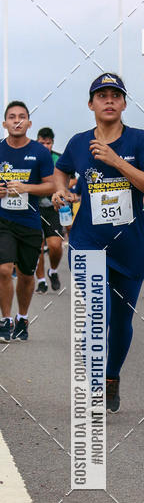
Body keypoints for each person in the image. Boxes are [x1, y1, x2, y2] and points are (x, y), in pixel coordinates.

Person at [53, 73, 144, 411]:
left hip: (128, 246)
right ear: (91, 104)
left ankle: (111, 376)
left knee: (122, 321)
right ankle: (93, 384)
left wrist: (116, 161)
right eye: (102, 95)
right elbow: (62, 169)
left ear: (125, 103)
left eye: (116, 95)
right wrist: (60, 189)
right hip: (88, 241)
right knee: (97, 314)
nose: (110, 100)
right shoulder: (78, 142)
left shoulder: (140, 141)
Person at [0, 102, 55, 340]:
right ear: (5, 123)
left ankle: (22, 317)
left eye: (22, 117)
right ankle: (5, 320)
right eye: (12, 117)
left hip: (30, 222)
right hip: (3, 220)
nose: (17, 121)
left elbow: (51, 185)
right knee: (3, 270)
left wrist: (26, 187)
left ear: (29, 123)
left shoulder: (40, 152)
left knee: (25, 275)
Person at [34, 127, 64, 293]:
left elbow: (72, 181)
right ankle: (41, 281)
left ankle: (52, 271)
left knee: (55, 245)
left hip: (53, 208)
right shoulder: (30, 158)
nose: (45, 146)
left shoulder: (58, 159)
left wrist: (58, 189)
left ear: (52, 143)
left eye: (48, 143)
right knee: (37, 247)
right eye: (41, 143)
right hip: (33, 208)